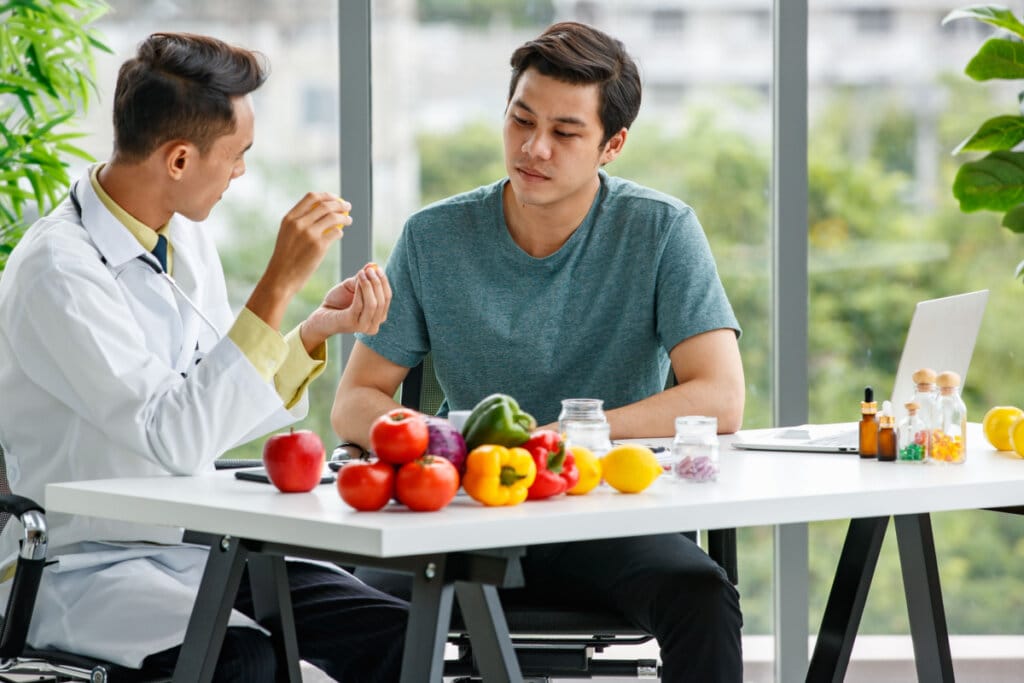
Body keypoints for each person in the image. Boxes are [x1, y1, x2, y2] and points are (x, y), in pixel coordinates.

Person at [331, 21, 745, 682]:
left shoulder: (662, 230)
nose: (534, 148)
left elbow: (720, 398)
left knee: (701, 593)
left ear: (613, 144)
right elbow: (355, 400)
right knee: (347, 605)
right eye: (520, 120)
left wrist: (568, 434)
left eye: (565, 132)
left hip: (606, 515)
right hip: (462, 515)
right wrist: (445, 441)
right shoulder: (435, 236)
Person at [0, 33, 406, 682]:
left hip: (194, 547)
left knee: (393, 634)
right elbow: (175, 436)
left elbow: (210, 409)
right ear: (181, 159)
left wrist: (306, 335)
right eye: (238, 154)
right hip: (86, 563)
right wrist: (276, 285)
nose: (242, 172)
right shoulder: (58, 272)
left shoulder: (183, 238)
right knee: (247, 662)